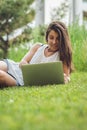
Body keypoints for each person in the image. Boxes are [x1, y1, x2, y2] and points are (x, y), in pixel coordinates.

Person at [0, 21, 73, 88]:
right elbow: (23, 62)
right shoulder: (37, 47)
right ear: (47, 37)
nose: (54, 42)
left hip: (20, 81)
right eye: (51, 38)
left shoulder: (63, 55)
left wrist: (66, 79)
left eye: (58, 39)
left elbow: (66, 76)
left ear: (62, 40)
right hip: (13, 67)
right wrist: (30, 70)